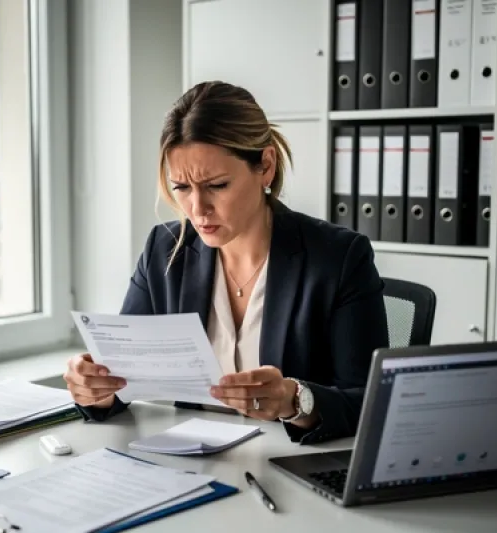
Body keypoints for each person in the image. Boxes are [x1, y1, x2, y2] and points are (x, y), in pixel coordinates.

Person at [63, 80, 389, 445]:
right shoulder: (164, 250)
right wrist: (97, 389)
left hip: (289, 470)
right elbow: (122, 378)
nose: (197, 209)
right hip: (195, 466)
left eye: (216, 185)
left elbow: (370, 402)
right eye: (181, 188)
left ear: (265, 166)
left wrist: (295, 400)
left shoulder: (338, 258)